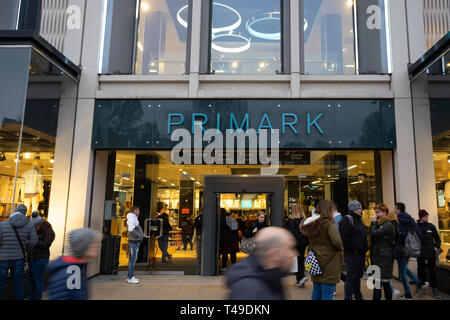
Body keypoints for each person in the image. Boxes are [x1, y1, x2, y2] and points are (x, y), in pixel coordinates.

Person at [226, 227, 298, 300]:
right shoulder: (252, 293)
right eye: (290, 248)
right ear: (274, 254)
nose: (295, 254)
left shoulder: (271, 278)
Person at [300, 200, 343, 300]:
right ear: (329, 210)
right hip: (330, 262)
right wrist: (340, 248)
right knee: (327, 293)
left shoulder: (311, 224)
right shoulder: (328, 224)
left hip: (315, 260)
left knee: (317, 291)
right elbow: (337, 242)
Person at [46, 228, 102, 300]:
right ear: (83, 246)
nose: (98, 245)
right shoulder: (69, 273)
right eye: (94, 242)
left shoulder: (78, 268)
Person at [0, 204, 38, 300]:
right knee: (18, 284)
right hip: (19, 259)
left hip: (2, 259)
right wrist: (25, 247)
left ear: (15, 211)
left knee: (0, 284)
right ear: (25, 213)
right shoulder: (30, 225)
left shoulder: (3, 224)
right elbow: (34, 241)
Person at [339, 200, 368, 300]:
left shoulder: (359, 220)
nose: (361, 210)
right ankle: (348, 298)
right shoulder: (347, 219)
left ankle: (358, 296)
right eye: (360, 208)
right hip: (353, 254)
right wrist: (354, 249)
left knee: (357, 277)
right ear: (355, 209)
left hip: (360, 254)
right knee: (351, 278)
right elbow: (345, 237)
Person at [394, 202, 424, 299]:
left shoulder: (400, 220)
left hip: (402, 248)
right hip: (409, 247)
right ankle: (418, 282)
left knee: (402, 271)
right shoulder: (410, 219)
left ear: (398, 209)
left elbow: (401, 234)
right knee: (403, 268)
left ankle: (408, 294)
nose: (394, 210)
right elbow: (418, 233)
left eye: (395, 208)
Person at [370, 204, 397, 300]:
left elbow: (374, 233)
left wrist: (373, 223)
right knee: (381, 284)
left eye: (378, 212)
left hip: (384, 258)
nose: (375, 215)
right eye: (375, 212)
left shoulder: (387, 225)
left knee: (382, 284)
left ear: (385, 212)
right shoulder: (381, 223)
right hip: (379, 257)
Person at [28, 211, 55, 300]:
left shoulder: (47, 230)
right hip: (31, 258)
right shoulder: (34, 229)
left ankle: (37, 298)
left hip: (41, 259)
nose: (35, 228)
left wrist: (34, 241)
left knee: (38, 281)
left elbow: (46, 244)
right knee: (31, 281)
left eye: (36, 226)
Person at [416, 209, 442, 299]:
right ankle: (420, 285)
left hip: (431, 252)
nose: (427, 218)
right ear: (421, 217)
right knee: (420, 269)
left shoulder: (431, 226)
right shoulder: (416, 226)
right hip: (420, 253)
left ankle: (435, 288)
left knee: (432, 271)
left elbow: (438, 239)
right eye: (425, 216)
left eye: (427, 216)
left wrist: (436, 246)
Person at [288, 204, 309, 287]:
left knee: (296, 261)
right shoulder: (304, 220)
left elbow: (292, 233)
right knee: (301, 260)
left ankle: (300, 278)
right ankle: (301, 279)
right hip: (304, 243)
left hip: (296, 243)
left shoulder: (293, 220)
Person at [126, 206, 144, 284]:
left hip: (134, 241)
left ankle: (130, 276)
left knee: (132, 259)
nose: (139, 211)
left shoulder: (133, 218)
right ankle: (130, 277)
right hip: (134, 241)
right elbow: (131, 229)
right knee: (133, 259)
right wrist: (139, 236)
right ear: (135, 211)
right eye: (138, 210)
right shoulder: (132, 218)